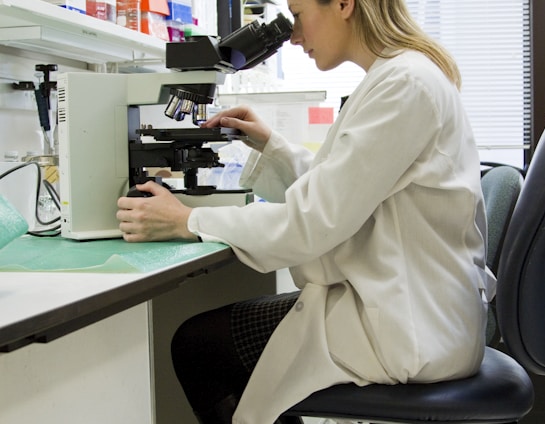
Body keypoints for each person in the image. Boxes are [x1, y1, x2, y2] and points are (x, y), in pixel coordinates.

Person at [116, 0, 496, 422]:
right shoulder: (402, 76)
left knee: (197, 345)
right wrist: (271, 145)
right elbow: (346, 187)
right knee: (214, 343)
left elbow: (311, 222)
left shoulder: (403, 84)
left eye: (297, 16)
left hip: (408, 327)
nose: (294, 37)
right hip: (411, 307)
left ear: (344, 5)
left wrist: (188, 220)